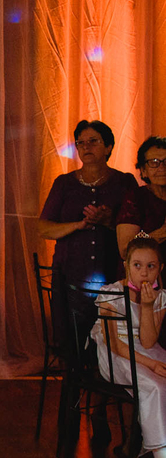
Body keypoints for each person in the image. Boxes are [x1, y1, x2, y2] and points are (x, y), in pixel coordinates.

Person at [37, 120, 138, 354]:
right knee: (72, 340)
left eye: (93, 141)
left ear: (109, 147)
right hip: (70, 275)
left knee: (112, 340)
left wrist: (108, 221)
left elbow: (136, 229)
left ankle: (106, 375)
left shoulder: (124, 182)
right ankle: (74, 373)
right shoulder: (64, 183)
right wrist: (79, 224)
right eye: (80, 142)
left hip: (113, 275)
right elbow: (43, 228)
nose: (86, 147)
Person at [92, 234, 166, 458]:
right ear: (126, 266)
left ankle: (151, 451)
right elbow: (117, 345)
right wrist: (152, 366)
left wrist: (148, 307)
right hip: (118, 355)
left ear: (160, 268)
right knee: (155, 387)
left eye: (151, 266)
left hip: (146, 351)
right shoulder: (111, 293)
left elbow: (148, 341)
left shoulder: (160, 297)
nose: (144, 273)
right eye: (137, 265)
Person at [115, 136, 166, 258]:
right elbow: (125, 250)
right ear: (143, 170)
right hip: (145, 268)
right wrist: (160, 234)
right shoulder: (136, 198)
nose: (162, 168)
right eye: (153, 162)